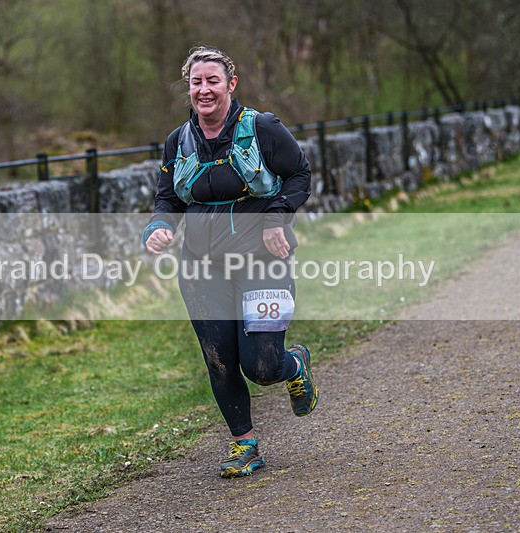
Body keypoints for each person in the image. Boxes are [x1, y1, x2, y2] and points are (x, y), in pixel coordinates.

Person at [142, 46, 318, 478]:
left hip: (264, 262)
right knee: (218, 358)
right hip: (201, 269)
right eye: (196, 82)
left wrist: (277, 218)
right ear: (189, 87)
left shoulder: (262, 128)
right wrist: (158, 228)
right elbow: (167, 199)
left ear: (230, 85)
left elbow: (300, 174)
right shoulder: (177, 142)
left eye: (212, 81)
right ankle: (245, 444)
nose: (204, 90)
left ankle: (293, 364)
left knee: (261, 366)